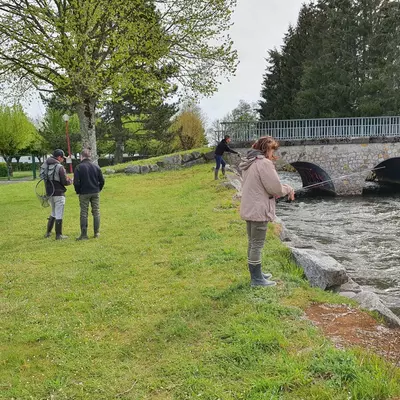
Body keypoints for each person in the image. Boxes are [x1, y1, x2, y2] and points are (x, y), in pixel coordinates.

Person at [239, 136, 295, 287]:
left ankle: (257, 274)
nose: (273, 153)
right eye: (272, 150)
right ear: (266, 149)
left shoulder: (249, 162)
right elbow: (274, 188)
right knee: (257, 244)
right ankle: (256, 280)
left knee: (252, 242)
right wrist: (288, 188)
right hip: (259, 210)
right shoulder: (264, 163)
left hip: (249, 207)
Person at [41, 149, 72, 240]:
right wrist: (71, 181)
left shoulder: (45, 165)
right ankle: (59, 235)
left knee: (53, 212)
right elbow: (64, 181)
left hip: (49, 193)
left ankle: (48, 232)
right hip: (59, 193)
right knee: (59, 213)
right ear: (59, 157)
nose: (63, 159)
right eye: (62, 157)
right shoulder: (59, 167)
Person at [73, 149, 105, 240]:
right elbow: (102, 180)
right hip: (95, 192)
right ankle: (96, 233)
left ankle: (84, 235)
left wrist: (78, 191)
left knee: (84, 213)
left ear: (81, 156)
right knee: (96, 212)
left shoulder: (78, 167)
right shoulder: (96, 167)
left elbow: (76, 182)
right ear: (90, 156)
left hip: (84, 192)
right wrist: (98, 189)